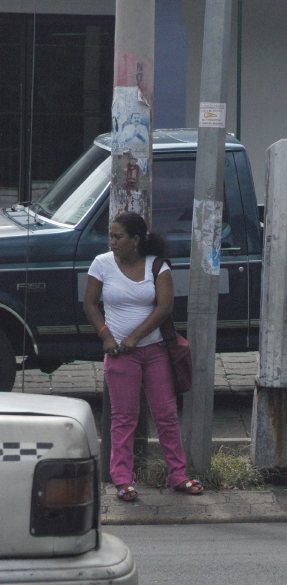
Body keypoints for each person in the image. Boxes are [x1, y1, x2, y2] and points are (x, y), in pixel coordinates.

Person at [83, 212, 202, 501]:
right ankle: (122, 480)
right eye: (110, 236)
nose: (112, 242)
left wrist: (134, 338)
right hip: (120, 355)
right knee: (124, 419)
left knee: (167, 416)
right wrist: (107, 336)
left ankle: (178, 475)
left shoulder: (157, 267)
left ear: (135, 241)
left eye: (118, 236)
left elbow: (164, 308)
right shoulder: (101, 264)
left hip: (155, 351)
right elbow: (89, 303)